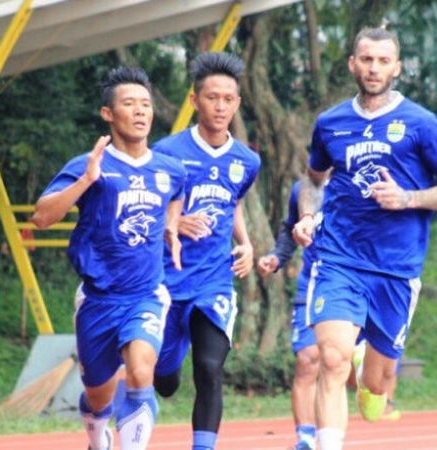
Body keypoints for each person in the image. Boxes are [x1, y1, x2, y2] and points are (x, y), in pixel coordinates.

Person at [292, 27, 437, 450]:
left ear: (397, 68)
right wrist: (308, 217)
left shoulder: (421, 124)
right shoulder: (331, 123)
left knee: (375, 390)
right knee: (330, 360)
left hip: (395, 266)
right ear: (353, 63)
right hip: (338, 257)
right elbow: (314, 180)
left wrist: (407, 197)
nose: (373, 69)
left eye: (383, 61)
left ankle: (369, 370)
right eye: (366, 60)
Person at [31, 67, 186, 450]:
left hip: (146, 294)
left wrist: (171, 225)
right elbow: (41, 217)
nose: (140, 111)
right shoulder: (89, 163)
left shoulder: (170, 169)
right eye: (129, 104)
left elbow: (176, 195)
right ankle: (97, 437)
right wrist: (86, 180)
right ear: (108, 114)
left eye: (146, 104)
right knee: (98, 397)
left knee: (139, 370)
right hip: (98, 300)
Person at [151, 52, 260, 450]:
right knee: (163, 380)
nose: (220, 106)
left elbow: (235, 204)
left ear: (237, 103)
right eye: (211, 97)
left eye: (228, 99)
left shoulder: (246, 161)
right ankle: (166, 366)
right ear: (195, 100)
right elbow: (144, 202)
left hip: (213, 279)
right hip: (166, 278)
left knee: (210, 368)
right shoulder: (166, 152)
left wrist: (245, 243)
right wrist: (173, 224)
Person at [257, 179, 320, 450]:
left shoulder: (362, 180)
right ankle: (306, 438)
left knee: (348, 368)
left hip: (355, 284)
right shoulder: (303, 189)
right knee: (307, 359)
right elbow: (289, 229)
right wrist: (277, 257)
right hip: (314, 282)